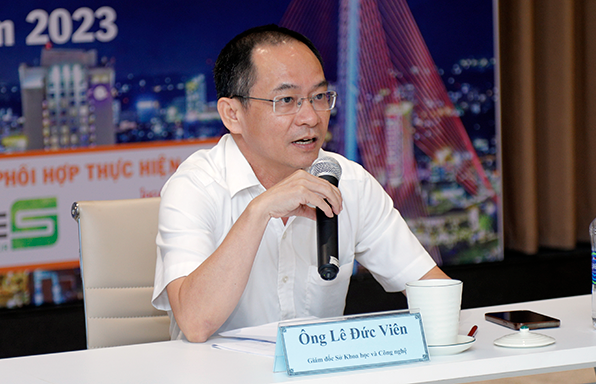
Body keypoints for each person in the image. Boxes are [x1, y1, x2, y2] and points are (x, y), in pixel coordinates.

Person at [151, 24, 449, 343]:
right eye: (287, 100)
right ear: (232, 114)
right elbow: (196, 323)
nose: (310, 116)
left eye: (319, 96)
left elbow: (433, 290)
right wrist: (259, 211)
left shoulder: (350, 182)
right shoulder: (194, 187)